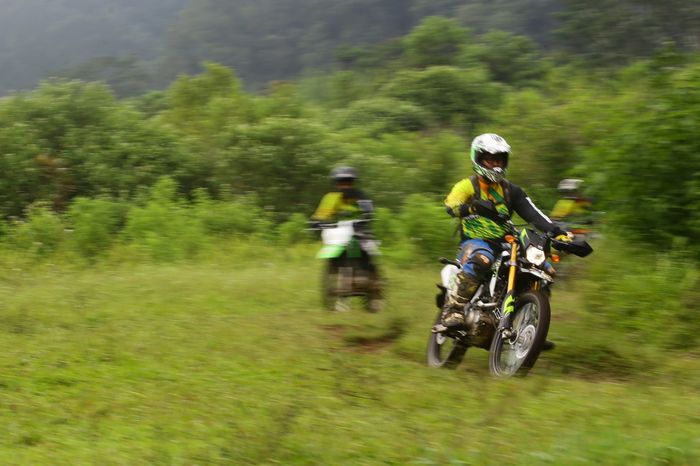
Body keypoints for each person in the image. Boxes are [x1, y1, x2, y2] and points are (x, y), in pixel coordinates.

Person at [443, 133, 570, 330]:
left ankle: (530, 327)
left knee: (544, 268)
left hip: (507, 241)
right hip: (475, 241)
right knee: (482, 259)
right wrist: (473, 207)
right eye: (490, 159)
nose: (495, 164)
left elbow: (534, 215)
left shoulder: (512, 191)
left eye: (499, 160)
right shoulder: (468, 185)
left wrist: (558, 232)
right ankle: (453, 309)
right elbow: (451, 206)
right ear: (478, 158)